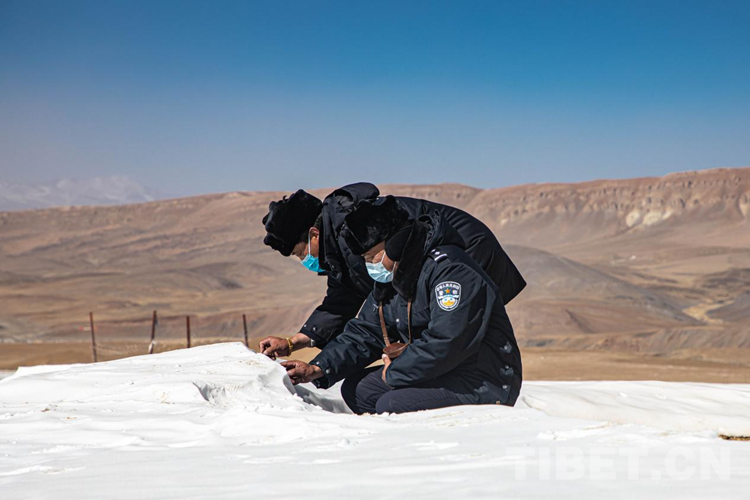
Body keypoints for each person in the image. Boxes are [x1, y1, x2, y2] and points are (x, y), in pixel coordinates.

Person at [281, 196, 522, 414]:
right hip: (442, 369)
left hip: (483, 378)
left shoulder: (450, 272)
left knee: (392, 404)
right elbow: (366, 331)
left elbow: (447, 341)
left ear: (395, 243)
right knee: (358, 390)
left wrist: (397, 371)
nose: (370, 265)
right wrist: (317, 368)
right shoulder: (395, 275)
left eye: (372, 257)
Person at [259, 183, 526, 358]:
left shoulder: (352, 230)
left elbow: (384, 303)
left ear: (314, 234)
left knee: (449, 333)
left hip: (468, 253)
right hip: (446, 262)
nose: (304, 260)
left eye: (300, 252)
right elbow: (341, 300)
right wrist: (294, 342)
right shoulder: (338, 244)